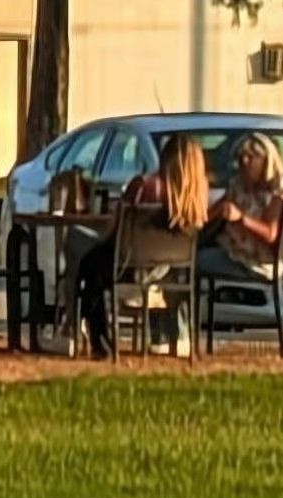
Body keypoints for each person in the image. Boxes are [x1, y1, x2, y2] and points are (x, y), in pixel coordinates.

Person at [71, 134, 210, 358]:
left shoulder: (145, 186)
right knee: (93, 263)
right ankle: (174, 335)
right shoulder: (197, 198)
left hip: (127, 264)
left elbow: (117, 228)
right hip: (170, 269)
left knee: (88, 266)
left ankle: (96, 338)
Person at [199, 131, 283, 281]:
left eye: (251, 157)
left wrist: (241, 218)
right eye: (241, 157)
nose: (244, 161)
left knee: (198, 261)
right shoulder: (238, 185)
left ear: (266, 160)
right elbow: (210, 215)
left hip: (256, 264)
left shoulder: (279, 192)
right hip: (234, 252)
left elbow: (271, 234)